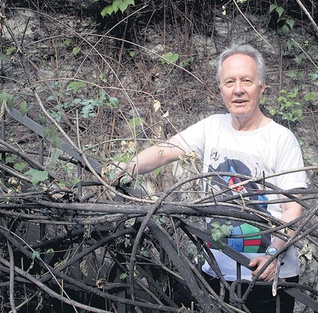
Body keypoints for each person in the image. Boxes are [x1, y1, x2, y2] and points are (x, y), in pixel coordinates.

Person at [106, 43, 307, 313]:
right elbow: (166, 151)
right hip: (215, 273)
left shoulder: (281, 139)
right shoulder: (212, 127)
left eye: (246, 81)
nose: (238, 90)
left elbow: (292, 207)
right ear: (221, 89)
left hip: (266, 277)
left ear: (261, 87)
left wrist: (274, 254)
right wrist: (129, 166)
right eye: (230, 82)